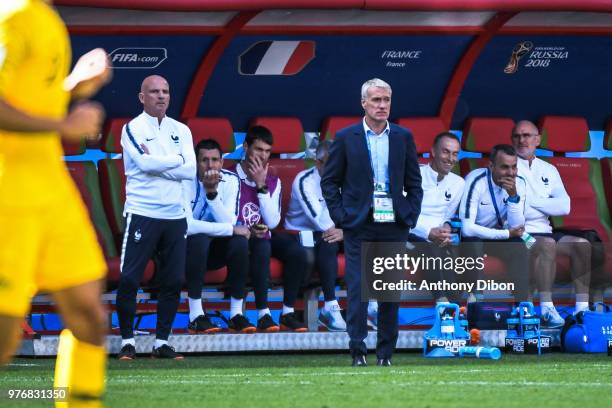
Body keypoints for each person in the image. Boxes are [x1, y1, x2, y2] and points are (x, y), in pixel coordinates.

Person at [0, 1, 111, 406]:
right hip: (8, 196)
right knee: (4, 336)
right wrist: (64, 125)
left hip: (51, 190)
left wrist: (75, 84)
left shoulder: (45, 17)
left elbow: (24, 98)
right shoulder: (10, 17)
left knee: (90, 315)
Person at [321, 78, 423, 366]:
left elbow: (415, 182)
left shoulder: (403, 136)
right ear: (363, 103)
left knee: (390, 292)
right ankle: (357, 351)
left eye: (386, 100)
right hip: (359, 223)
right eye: (376, 100)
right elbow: (330, 182)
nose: (382, 105)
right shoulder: (345, 136)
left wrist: (410, 214)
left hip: (394, 222)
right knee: (359, 289)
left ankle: (386, 354)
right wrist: (341, 217)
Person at [116, 75, 196, 360]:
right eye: (154, 92)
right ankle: (127, 341)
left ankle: (162, 341)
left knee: (173, 280)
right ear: (142, 97)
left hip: (175, 215)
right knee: (129, 280)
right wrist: (177, 161)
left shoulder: (181, 130)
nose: (161, 96)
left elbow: (191, 170)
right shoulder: (132, 128)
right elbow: (144, 163)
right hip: (143, 212)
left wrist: (163, 164)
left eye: (165, 91)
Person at [511, 120, 590, 325]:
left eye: (527, 135)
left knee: (582, 245)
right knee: (547, 244)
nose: (522, 140)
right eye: (517, 136)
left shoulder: (549, 169)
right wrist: (546, 204)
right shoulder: (507, 166)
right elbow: (517, 209)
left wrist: (530, 200)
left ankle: (583, 309)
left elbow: (564, 206)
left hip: (545, 230)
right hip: (520, 234)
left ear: (537, 140)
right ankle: (546, 308)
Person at [230, 125, 307, 332]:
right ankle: (262, 314)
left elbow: (272, 222)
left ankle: (287, 312)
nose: (263, 156)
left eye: (267, 151)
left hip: (263, 233)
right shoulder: (228, 176)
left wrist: (261, 185)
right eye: (258, 149)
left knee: (297, 252)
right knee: (262, 245)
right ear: (245, 147)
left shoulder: (273, 181)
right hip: (235, 237)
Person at [183, 139, 255, 334]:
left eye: (215, 160)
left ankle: (235, 314)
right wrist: (230, 229)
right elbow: (186, 226)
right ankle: (196, 316)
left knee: (239, 242)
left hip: (214, 252)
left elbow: (228, 221)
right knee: (198, 239)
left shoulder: (230, 181)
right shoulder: (183, 179)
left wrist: (212, 194)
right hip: (183, 251)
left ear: (222, 162)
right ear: (195, 162)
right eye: (204, 160)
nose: (210, 165)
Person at [285, 140, 347, 331]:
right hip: (300, 234)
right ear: (318, 162)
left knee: (368, 240)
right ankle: (330, 306)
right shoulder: (303, 181)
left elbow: (358, 217)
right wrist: (331, 187)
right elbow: (324, 224)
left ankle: (371, 306)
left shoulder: (347, 180)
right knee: (327, 240)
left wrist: (347, 233)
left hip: (335, 232)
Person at [459, 144, 530, 303]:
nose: (510, 173)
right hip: (475, 237)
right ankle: (476, 302)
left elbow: (517, 226)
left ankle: (523, 307)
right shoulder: (476, 180)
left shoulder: (519, 183)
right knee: (472, 244)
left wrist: (513, 197)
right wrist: (506, 234)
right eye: (505, 167)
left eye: (514, 167)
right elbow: (467, 229)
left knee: (520, 245)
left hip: (499, 237)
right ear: (491, 166)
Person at [411, 132, 465, 303]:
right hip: (412, 234)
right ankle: (441, 302)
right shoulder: (413, 175)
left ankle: (456, 311)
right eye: (446, 152)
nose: (451, 158)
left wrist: (447, 229)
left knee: (451, 254)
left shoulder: (459, 183)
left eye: (455, 153)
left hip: (439, 238)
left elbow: (448, 217)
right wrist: (428, 232)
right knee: (431, 249)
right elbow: (402, 214)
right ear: (433, 152)